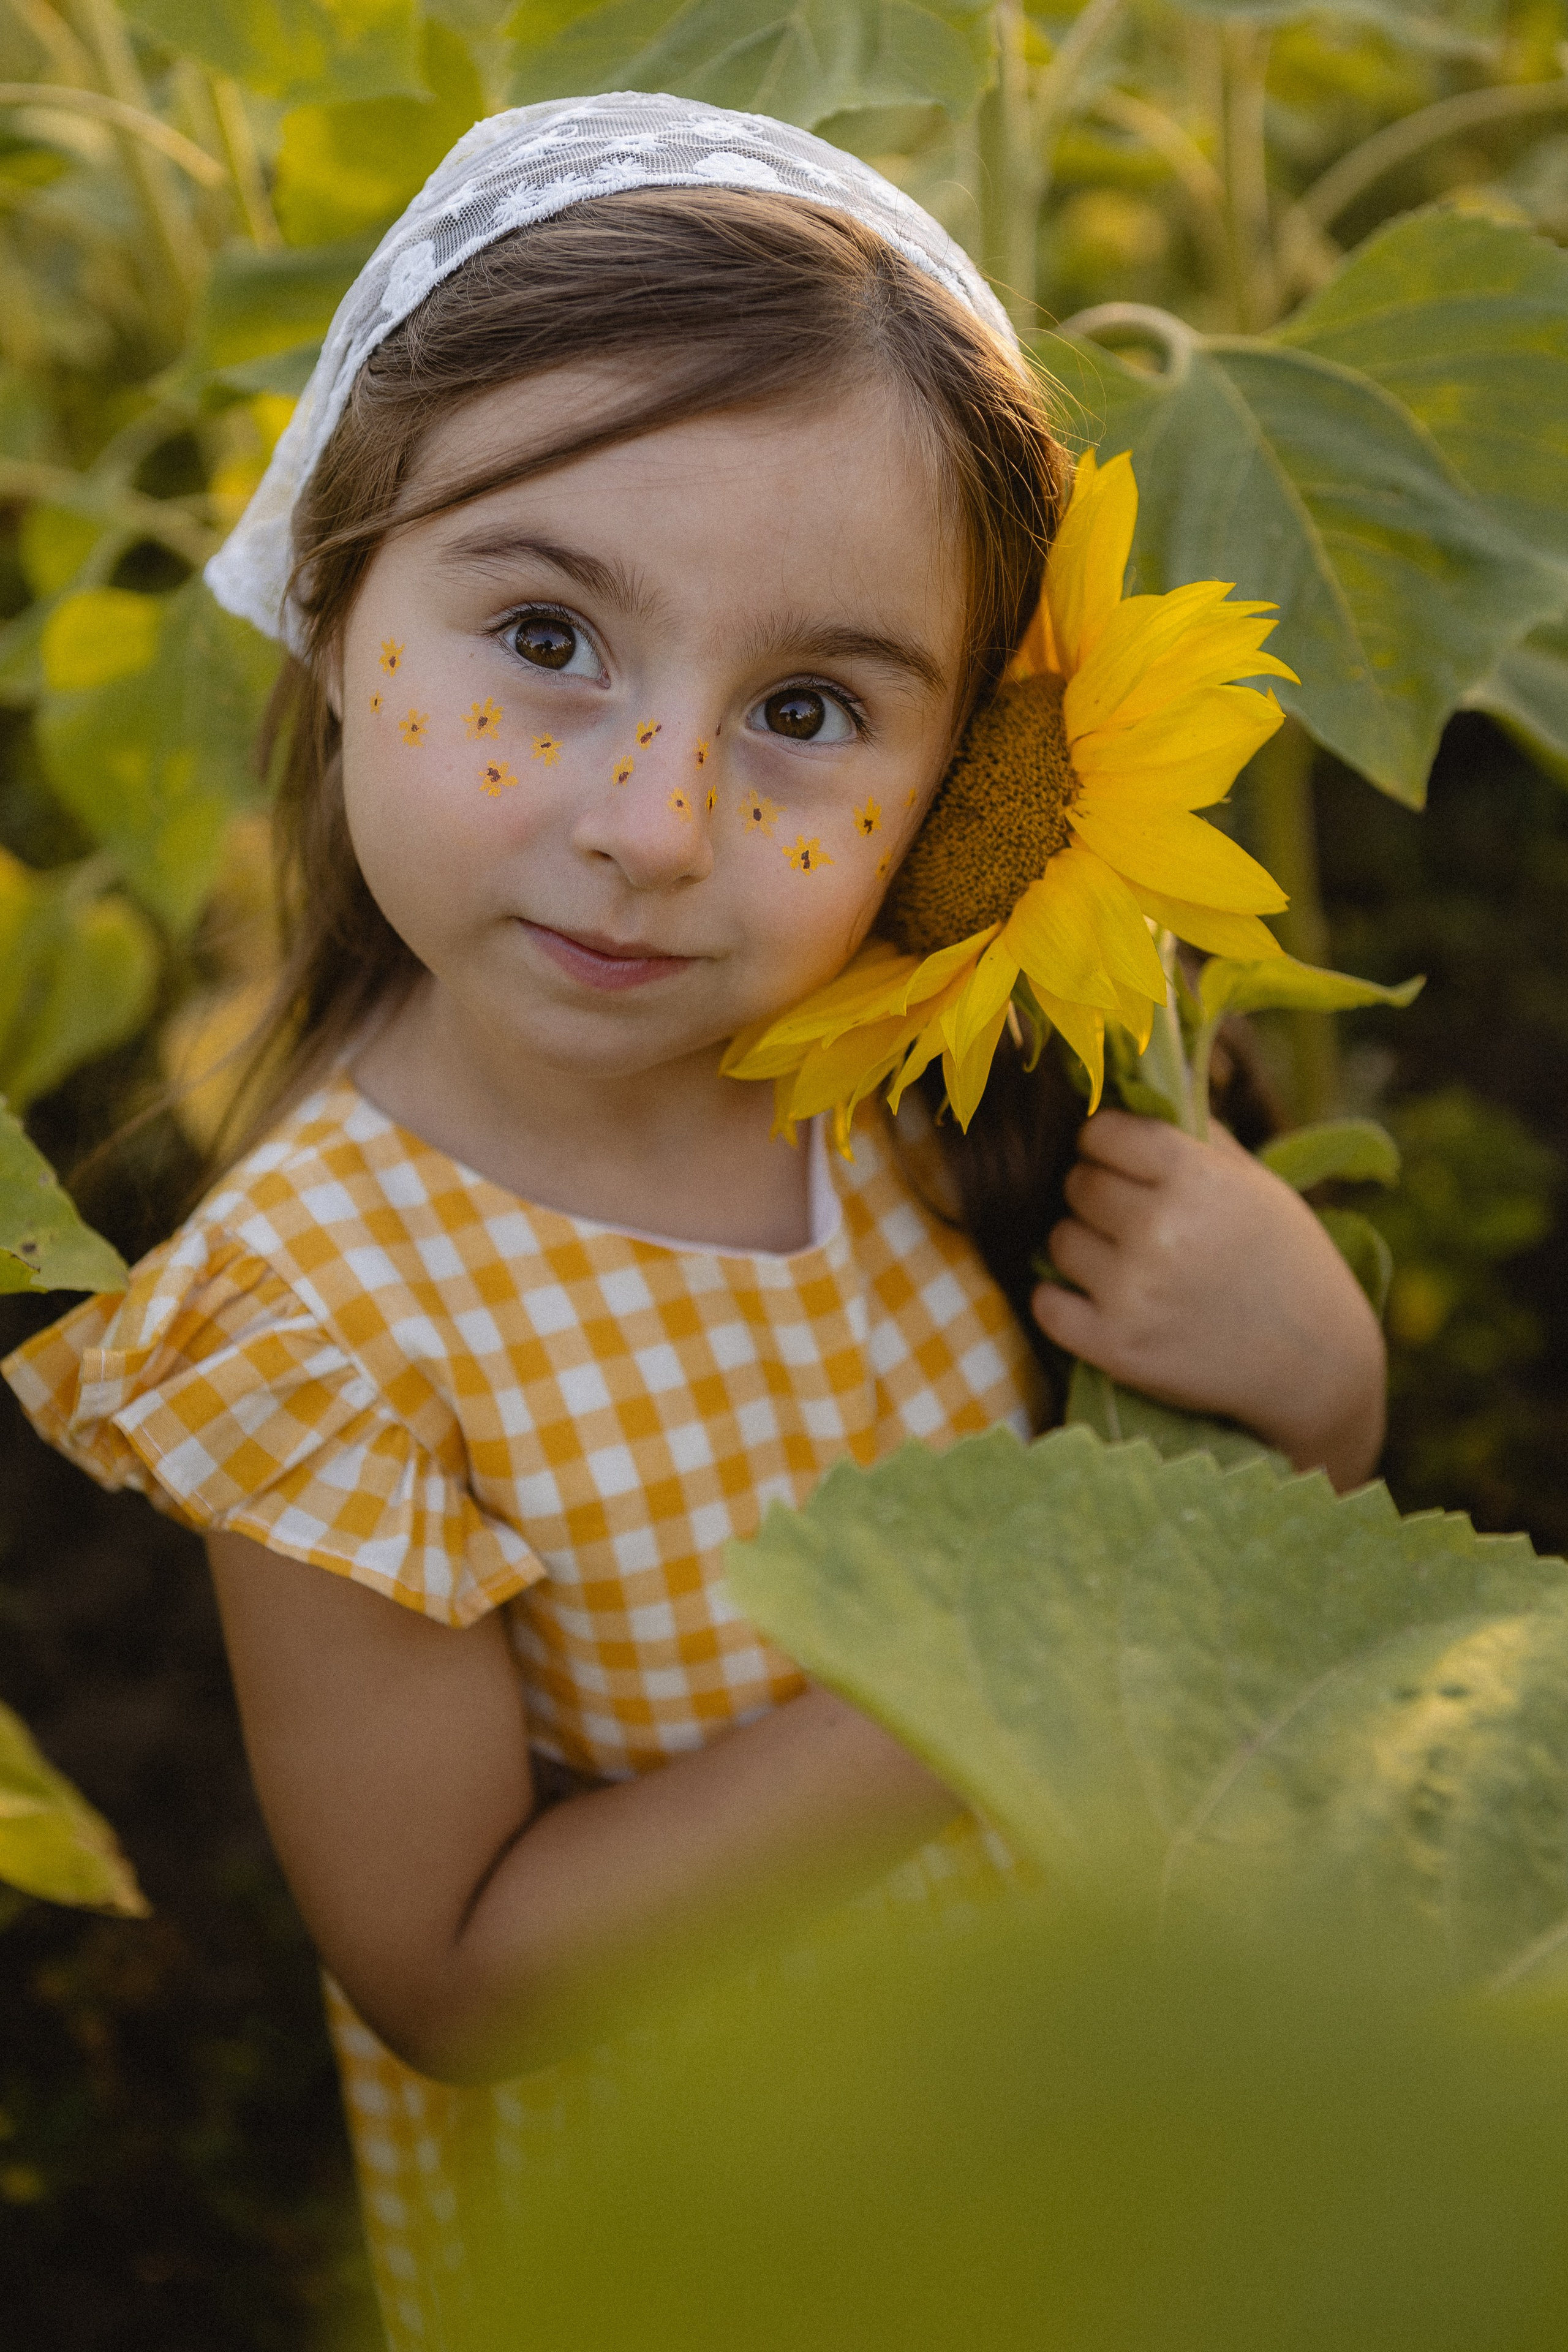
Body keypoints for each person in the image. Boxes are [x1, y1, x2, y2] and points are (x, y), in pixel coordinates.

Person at [3, 95, 1385, 2350]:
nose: (658, 823)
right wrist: (1003, 1673)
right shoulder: (317, 1318)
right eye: (549, 636)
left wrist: (1318, 1395)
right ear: (342, 611)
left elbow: (1252, 1565)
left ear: (957, 776)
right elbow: (458, 1967)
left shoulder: (935, 1073)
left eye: (812, 709)